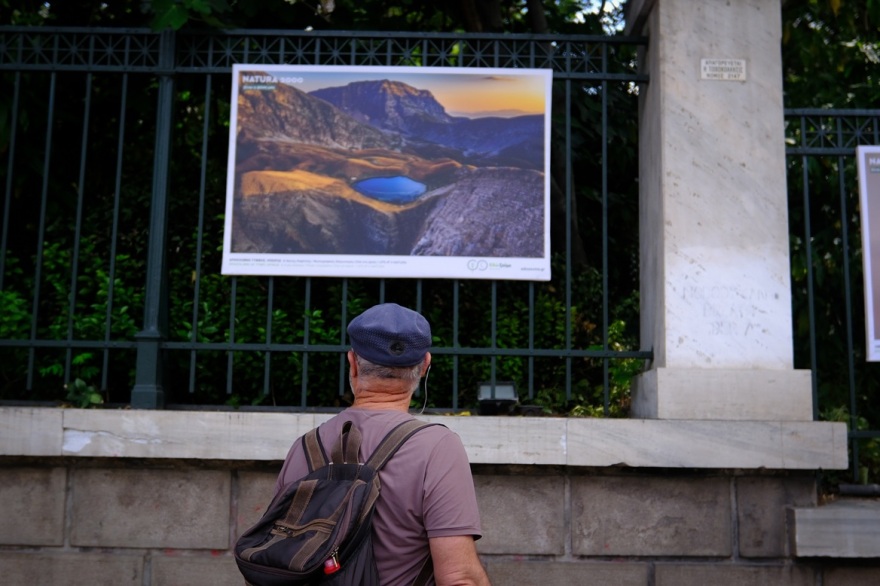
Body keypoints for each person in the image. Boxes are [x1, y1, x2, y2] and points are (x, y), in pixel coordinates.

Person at [275, 303, 492, 586]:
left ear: (352, 362)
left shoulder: (304, 447)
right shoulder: (438, 447)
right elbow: (459, 577)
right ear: (425, 365)